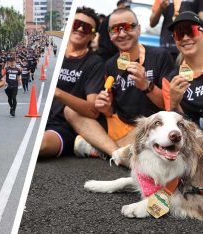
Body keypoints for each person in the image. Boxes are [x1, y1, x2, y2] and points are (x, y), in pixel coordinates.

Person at [65, 8, 174, 164]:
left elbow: (168, 106)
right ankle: (118, 154)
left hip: (148, 126)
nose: (122, 34)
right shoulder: (110, 64)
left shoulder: (160, 56)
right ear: (110, 35)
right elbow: (111, 110)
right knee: (71, 111)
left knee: (153, 125)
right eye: (115, 29)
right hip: (120, 125)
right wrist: (106, 107)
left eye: (127, 27)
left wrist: (146, 85)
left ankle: (102, 148)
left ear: (138, 29)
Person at [38, 6, 105, 158]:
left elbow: (93, 111)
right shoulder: (56, 55)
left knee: (39, 145)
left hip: (61, 127)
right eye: (76, 24)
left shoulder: (95, 63)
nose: (80, 29)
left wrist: (58, 93)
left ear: (93, 36)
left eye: (87, 27)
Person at [162, 11, 203, 130]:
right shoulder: (170, 80)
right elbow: (178, 129)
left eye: (191, 31)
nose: (185, 38)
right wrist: (174, 104)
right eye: (179, 33)